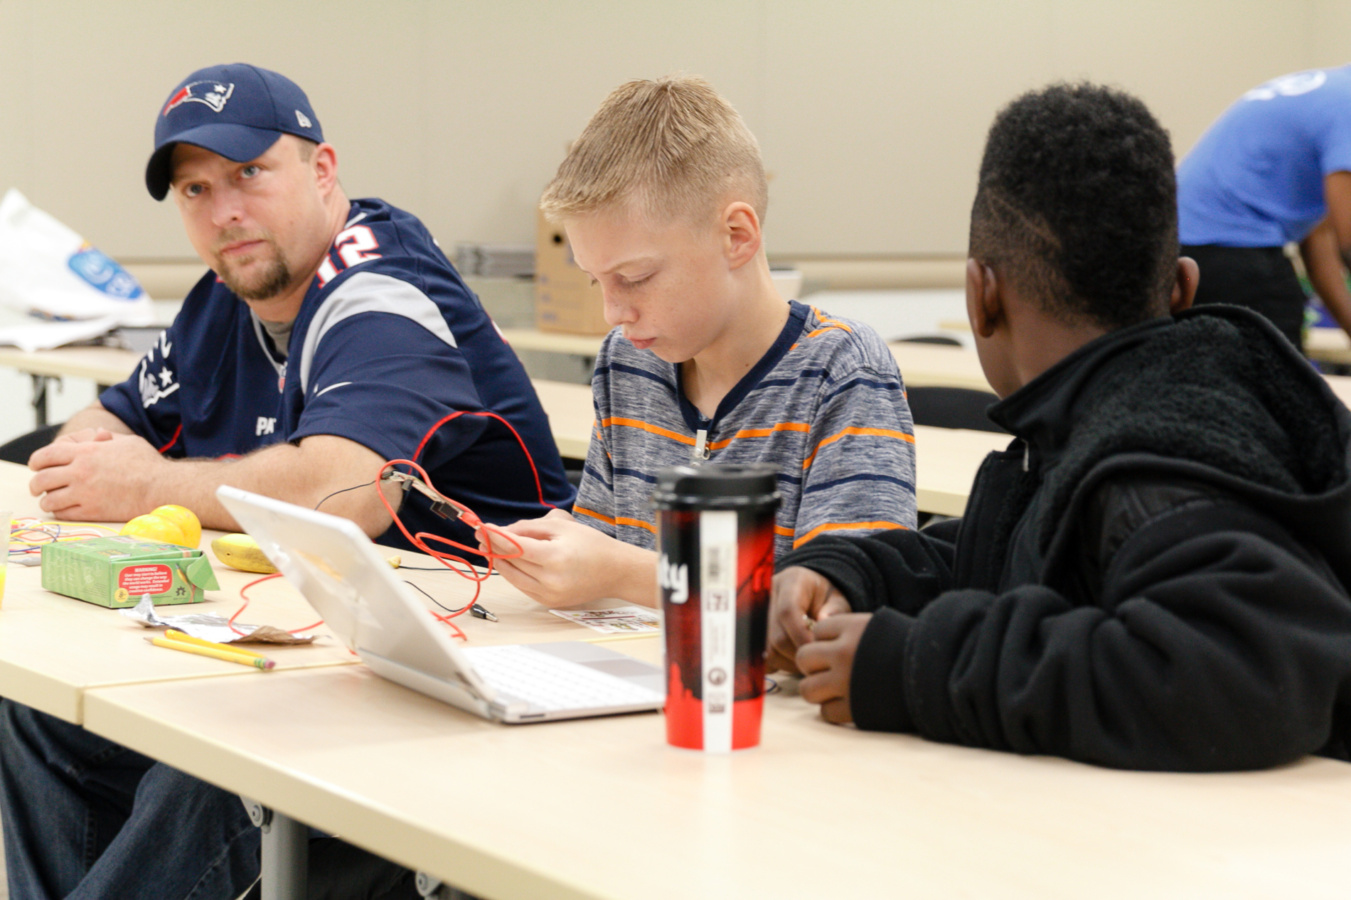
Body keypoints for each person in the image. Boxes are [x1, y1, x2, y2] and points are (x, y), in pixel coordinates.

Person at [0, 63, 574, 900]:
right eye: (195, 190)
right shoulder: (223, 297)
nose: (224, 211)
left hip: (480, 669)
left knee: (216, 757)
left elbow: (340, 490)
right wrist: (95, 462)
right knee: (41, 717)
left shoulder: (383, 288)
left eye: (249, 173)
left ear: (323, 170)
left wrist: (145, 485)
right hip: (324, 648)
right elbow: (108, 422)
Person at [768, 82, 1351, 772]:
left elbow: (1246, 674)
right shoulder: (1097, 421)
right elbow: (1019, 557)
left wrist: (920, 666)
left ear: (980, 295)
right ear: (1181, 290)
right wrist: (855, 575)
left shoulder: (1158, 466)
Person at [481, 75, 918, 608]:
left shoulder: (843, 372)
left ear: (736, 236)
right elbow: (601, 568)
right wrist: (563, 565)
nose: (613, 313)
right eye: (597, 281)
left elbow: (834, 611)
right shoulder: (627, 362)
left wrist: (621, 573)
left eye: (635, 277)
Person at [1177, 65, 1351, 348]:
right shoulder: (1346, 107)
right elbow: (1349, 243)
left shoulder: (1329, 92)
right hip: (1233, 253)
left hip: (1181, 253)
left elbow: (1321, 244)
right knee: (1277, 365)